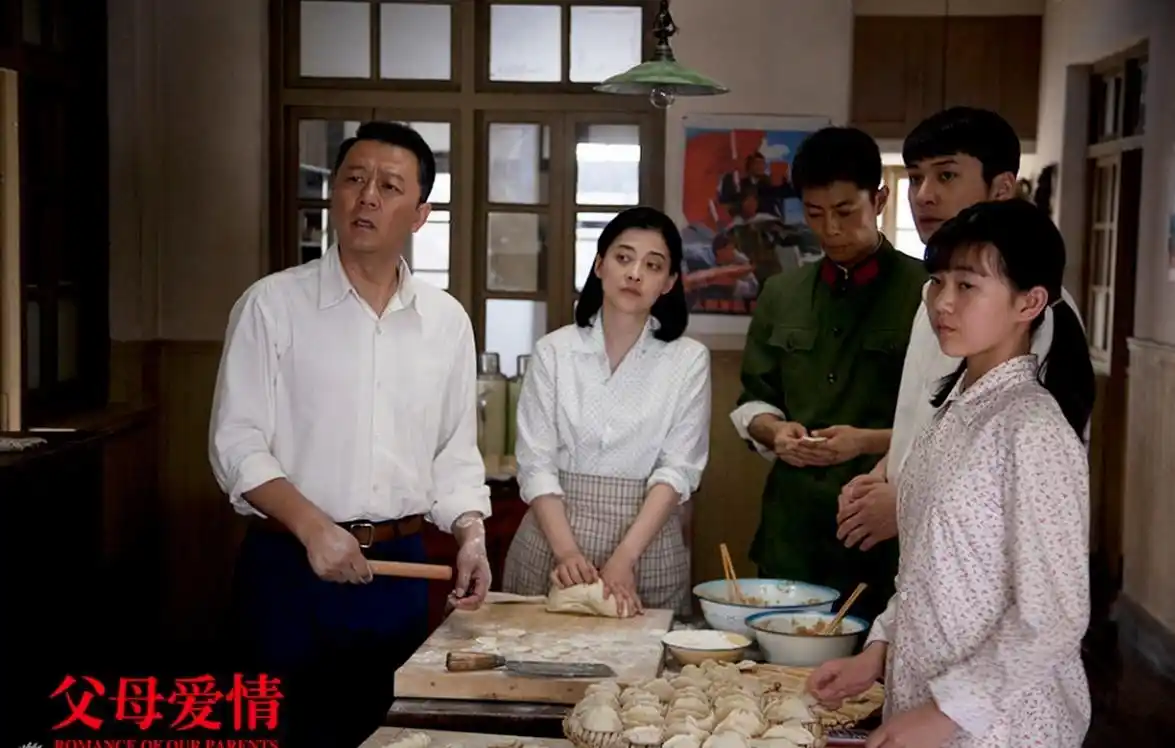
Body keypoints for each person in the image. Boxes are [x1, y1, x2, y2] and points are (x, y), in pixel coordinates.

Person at [209, 122, 492, 748]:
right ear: (334, 192)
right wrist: (313, 527)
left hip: (397, 570)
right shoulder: (271, 305)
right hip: (288, 566)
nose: (367, 197)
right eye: (355, 179)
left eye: (389, 186)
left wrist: (470, 534)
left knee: (382, 736)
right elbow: (237, 442)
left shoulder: (445, 321)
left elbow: (454, 453)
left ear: (419, 214)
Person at [808, 199, 1095, 748]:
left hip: (1004, 728)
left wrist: (946, 712)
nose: (942, 301)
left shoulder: (1032, 427)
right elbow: (929, 569)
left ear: (1029, 302)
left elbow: (1055, 615)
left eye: (967, 286)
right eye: (937, 281)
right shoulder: (955, 410)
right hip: (926, 703)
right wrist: (878, 653)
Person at [835, 107, 1084, 554]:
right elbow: (931, 418)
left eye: (946, 176)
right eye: (915, 178)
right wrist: (887, 471)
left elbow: (1020, 487)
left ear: (1001, 188)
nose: (923, 195)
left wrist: (904, 504)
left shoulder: (1036, 312)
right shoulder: (935, 296)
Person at [730, 127, 927, 622]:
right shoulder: (781, 293)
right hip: (792, 535)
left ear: (879, 199)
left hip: (885, 537)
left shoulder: (926, 293)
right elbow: (752, 401)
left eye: (845, 212)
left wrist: (865, 441)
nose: (831, 229)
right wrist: (776, 433)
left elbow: (947, 421)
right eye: (815, 214)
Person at [501, 207, 711, 617]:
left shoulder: (688, 360)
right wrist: (567, 553)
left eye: (653, 265)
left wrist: (624, 558)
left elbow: (678, 469)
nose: (634, 273)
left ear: (669, 283)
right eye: (623, 257)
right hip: (553, 543)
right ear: (599, 265)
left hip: (646, 548)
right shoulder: (554, 351)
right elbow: (535, 463)